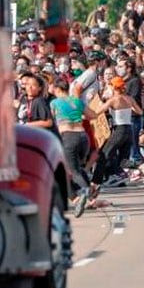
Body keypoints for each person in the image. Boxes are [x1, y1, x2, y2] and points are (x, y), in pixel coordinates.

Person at [89, 76, 143, 193]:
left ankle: (95, 183)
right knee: (123, 160)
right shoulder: (129, 99)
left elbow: (97, 113)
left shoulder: (113, 100)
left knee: (103, 156)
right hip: (129, 129)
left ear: (113, 87)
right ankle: (140, 166)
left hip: (119, 130)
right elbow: (140, 111)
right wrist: (127, 110)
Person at [49, 79, 94, 218]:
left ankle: (85, 192)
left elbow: (50, 120)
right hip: (82, 136)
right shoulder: (77, 101)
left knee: (72, 170)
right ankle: (83, 195)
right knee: (77, 168)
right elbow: (93, 115)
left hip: (68, 136)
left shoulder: (55, 103)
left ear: (57, 89)